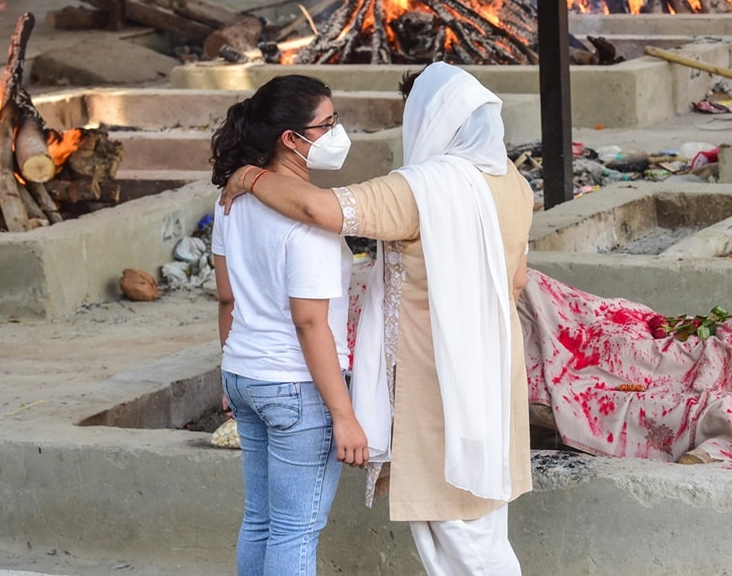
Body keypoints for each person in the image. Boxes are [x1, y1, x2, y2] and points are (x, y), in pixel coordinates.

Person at [223, 62, 534, 575]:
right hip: (493, 369)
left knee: (456, 525)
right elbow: (517, 278)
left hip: (437, 381)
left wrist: (252, 176)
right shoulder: (512, 183)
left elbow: (322, 210)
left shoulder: (422, 189)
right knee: (479, 522)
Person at [209, 74, 369, 576]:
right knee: (295, 531)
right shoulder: (311, 224)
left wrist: (230, 369)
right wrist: (343, 413)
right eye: (328, 123)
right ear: (291, 138)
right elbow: (308, 323)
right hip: (297, 388)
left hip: (245, 374)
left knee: (260, 519)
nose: (337, 132)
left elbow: (226, 297)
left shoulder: (230, 201)